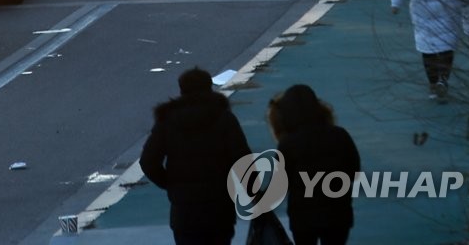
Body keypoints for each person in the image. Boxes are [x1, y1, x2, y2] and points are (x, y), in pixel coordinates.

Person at [140, 66, 250, 245]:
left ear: (181, 89)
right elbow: (243, 160)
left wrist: (170, 184)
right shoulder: (224, 118)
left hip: (184, 210)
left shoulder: (167, 121)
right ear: (209, 87)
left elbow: (148, 161)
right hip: (219, 206)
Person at [268, 84, 360, 245]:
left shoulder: (287, 144)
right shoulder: (339, 134)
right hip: (337, 212)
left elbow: (281, 185)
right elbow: (354, 170)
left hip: (303, 218)